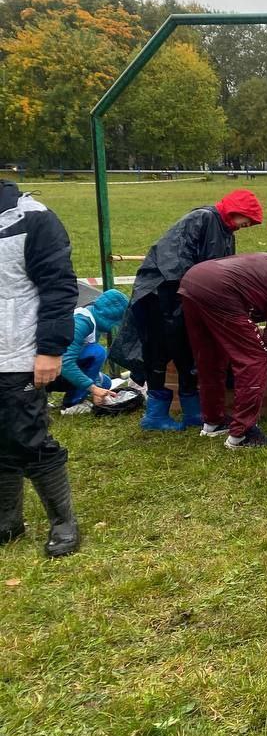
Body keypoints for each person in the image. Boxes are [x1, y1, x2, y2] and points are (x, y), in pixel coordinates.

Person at [110, 190, 263, 432]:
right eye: (247, 220)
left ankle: (193, 411)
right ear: (236, 211)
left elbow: (223, 272)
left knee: (189, 354)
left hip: (189, 299)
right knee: (158, 353)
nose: (247, 226)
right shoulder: (201, 219)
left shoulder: (226, 233)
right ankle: (155, 415)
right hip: (161, 295)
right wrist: (195, 294)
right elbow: (174, 260)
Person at [0, 180, 81, 557]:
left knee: (28, 437)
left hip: (19, 352)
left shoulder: (33, 219)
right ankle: (7, 522)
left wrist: (49, 350)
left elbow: (59, 287)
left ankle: (63, 521)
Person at [179, 252, 267, 449]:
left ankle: (213, 421)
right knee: (254, 357)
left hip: (194, 280)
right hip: (220, 288)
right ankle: (242, 434)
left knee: (211, 355)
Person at [52, 289, 128, 415]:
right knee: (98, 352)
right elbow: (65, 362)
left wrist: (98, 386)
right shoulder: (81, 323)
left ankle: (83, 393)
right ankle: (73, 403)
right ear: (110, 316)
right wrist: (93, 388)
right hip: (48, 372)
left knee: (105, 383)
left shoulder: (93, 320)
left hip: (59, 372)